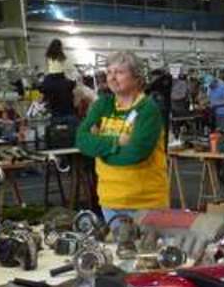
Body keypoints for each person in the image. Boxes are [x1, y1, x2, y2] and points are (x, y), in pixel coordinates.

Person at [76, 51, 168, 220]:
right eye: (109, 72)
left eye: (119, 72)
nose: (112, 78)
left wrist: (100, 150)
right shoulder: (102, 105)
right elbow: (81, 140)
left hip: (146, 204)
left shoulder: (147, 109)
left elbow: (135, 153)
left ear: (137, 77)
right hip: (110, 202)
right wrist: (116, 142)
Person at [38, 39, 81, 129]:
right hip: (68, 110)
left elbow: (46, 70)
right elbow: (72, 71)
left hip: (54, 112)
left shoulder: (48, 56)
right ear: (61, 47)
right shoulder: (63, 57)